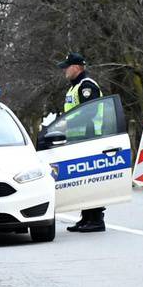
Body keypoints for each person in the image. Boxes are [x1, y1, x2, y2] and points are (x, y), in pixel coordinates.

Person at [58, 52, 107, 232]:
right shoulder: (75, 87)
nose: (65, 70)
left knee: (91, 180)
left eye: (67, 67)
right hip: (78, 140)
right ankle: (86, 218)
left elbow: (90, 112)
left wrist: (66, 124)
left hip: (90, 137)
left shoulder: (87, 86)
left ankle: (96, 219)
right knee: (83, 181)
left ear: (77, 67)